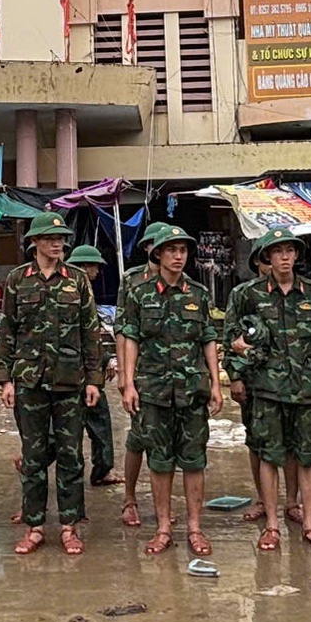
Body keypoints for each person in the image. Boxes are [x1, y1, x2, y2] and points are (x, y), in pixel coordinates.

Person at [0, 216, 106, 556]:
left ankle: (69, 526)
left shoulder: (77, 281)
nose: (58, 244)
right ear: (35, 242)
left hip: (70, 382)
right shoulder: (17, 280)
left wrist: (94, 379)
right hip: (29, 381)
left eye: (61, 238)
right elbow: (7, 330)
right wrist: (5, 378)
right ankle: (34, 525)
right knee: (33, 455)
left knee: (71, 455)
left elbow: (91, 331)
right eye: (51, 238)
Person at [228, 232, 311, 552]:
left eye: (289, 251)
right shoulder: (248, 294)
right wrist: (237, 376)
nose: (284, 257)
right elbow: (233, 339)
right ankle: (272, 525)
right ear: (267, 258)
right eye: (277, 252)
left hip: (305, 389)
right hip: (266, 388)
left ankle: (310, 524)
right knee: (269, 455)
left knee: (307, 455)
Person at [119, 225, 224, 559]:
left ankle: (195, 527)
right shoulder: (141, 292)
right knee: (160, 462)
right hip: (154, 390)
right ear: (159, 255)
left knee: (194, 461)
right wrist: (129, 382)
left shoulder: (198, 293)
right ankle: (163, 526)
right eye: (172, 250)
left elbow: (208, 337)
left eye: (183, 250)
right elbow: (131, 337)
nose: (179, 257)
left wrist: (216, 384)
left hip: (192, 390)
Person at [117, 225, 170, 531]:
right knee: (138, 439)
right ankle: (129, 498)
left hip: (173, 375)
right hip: (143, 373)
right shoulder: (133, 280)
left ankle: (162, 506)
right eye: (154, 244)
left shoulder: (183, 282)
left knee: (167, 444)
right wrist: (126, 377)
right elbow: (124, 330)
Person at [67, 243, 120, 490]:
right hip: (72, 376)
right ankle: (30, 463)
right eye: (94, 268)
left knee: (99, 423)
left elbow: (93, 337)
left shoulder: (85, 294)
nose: (98, 273)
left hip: (88, 373)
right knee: (65, 430)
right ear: (84, 268)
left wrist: (107, 358)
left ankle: (102, 469)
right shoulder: (71, 296)